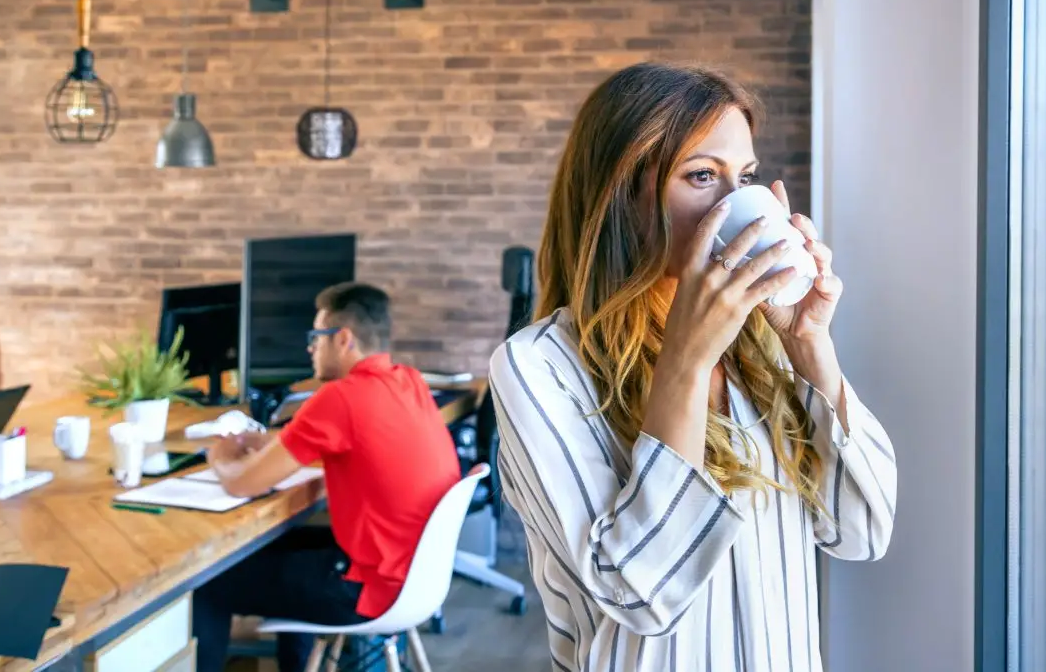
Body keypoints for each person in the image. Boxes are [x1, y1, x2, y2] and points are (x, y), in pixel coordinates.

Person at [489, 62, 897, 672]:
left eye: (749, 178)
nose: (742, 206)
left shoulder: (757, 345)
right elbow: (638, 593)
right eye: (703, 176)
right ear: (620, 193)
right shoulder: (539, 366)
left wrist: (810, 343)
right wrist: (686, 358)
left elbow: (862, 530)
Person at [192, 282, 461, 672]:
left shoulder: (339, 398)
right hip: (415, 574)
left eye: (315, 338)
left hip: (367, 588)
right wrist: (268, 441)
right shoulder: (409, 382)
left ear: (343, 339)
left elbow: (241, 484)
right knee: (281, 549)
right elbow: (357, 443)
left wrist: (218, 456)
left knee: (210, 581)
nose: (309, 348)